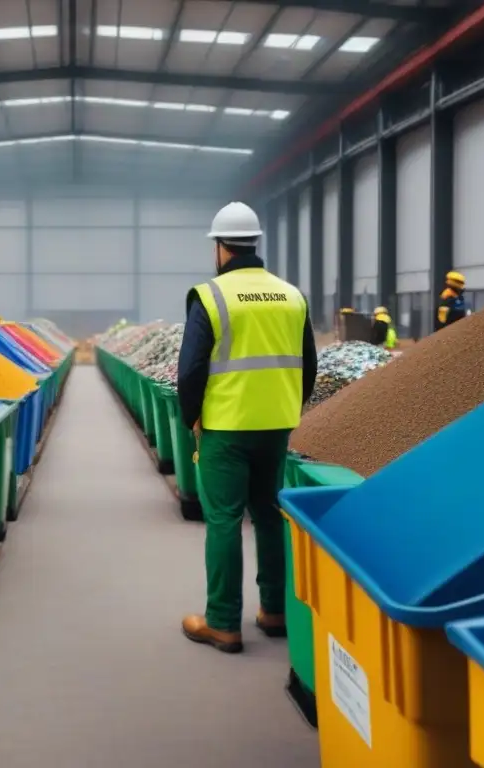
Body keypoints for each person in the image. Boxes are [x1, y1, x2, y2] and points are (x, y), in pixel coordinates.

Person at [176, 201, 318, 654]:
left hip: (226, 429)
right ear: (254, 242)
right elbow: (309, 366)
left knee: (223, 520)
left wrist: (191, 418)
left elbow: (191, 370)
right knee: (269, 518)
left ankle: (221, 622)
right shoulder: (292, 296)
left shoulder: (211, 296)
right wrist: (284, 406)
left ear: (220, 248)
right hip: (276, 426)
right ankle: (275, 611)